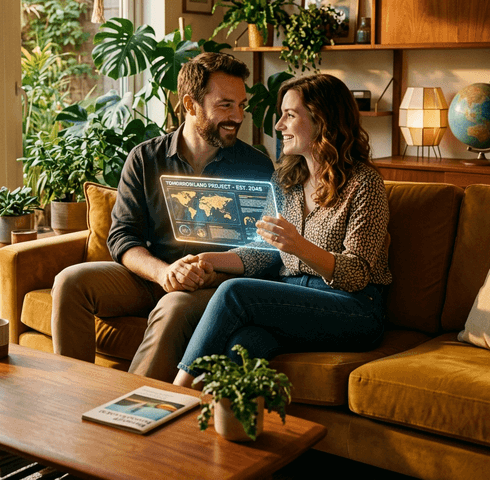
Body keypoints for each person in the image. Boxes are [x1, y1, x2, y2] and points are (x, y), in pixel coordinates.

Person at [51, 51, 275, 382]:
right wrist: (163, 272)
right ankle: (71, 394)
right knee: (69, 282)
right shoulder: (145, 158)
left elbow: (265, 250)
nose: (238, 116)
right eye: (225, 105)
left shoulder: (256, 166)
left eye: (242, 105)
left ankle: (131, 417)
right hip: (154, 274)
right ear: (190, 104)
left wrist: (205, 271)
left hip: (212, 284)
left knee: (174, 308)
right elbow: (122, 235)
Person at [173, 73, 392, 388]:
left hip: (354, 308)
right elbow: (261, 254)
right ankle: (220, 425)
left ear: (322, 120)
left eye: (290, 115)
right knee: (244, 344)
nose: (279, 125)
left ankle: (172, 392)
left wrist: (298, 246)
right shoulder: (284, 182)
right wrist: (203, 258)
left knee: (235, 291)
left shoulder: (364, 184)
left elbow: (357, 274)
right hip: (295, 299)